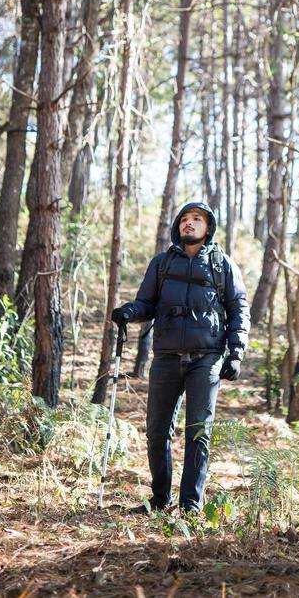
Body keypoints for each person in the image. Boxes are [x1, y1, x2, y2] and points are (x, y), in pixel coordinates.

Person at [112, 201, 250, 515]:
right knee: (157, 431)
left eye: (196, 219)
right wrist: (129, 312)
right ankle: (160, 499)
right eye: (184, 219)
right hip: (166, 356)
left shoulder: (222, 264)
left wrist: (236, 353)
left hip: (207, 357)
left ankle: (190, 505)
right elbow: (146, 303)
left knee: (198, 431)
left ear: (208, 226)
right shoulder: (161, 264)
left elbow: (240, 310)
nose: (189, 224)